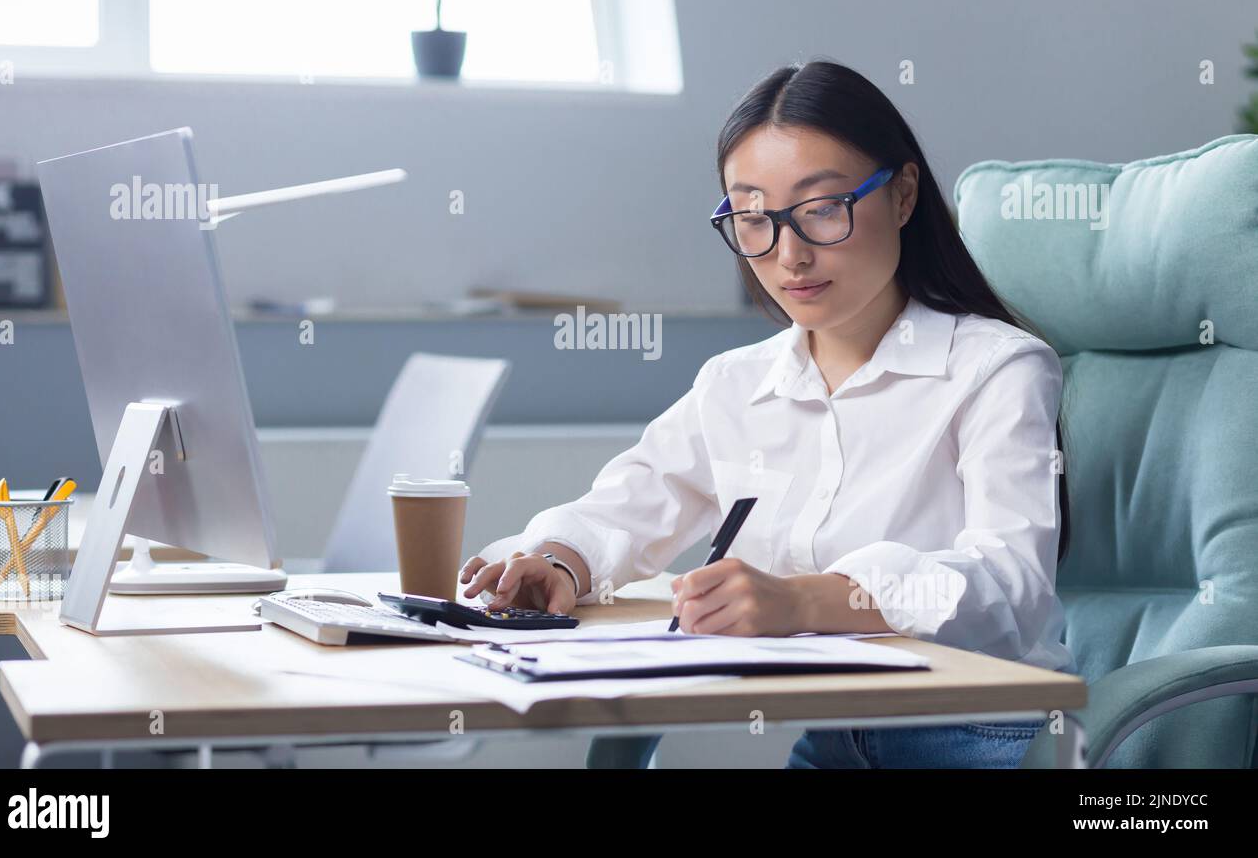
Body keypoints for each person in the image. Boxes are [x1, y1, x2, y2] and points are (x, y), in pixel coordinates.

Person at [460, 59, 1073, 768]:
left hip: (977, 731)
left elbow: (1013, 585)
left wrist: (805, 602)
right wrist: (559, 562)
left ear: (903, 195)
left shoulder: (996, 368)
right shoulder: (738, 383)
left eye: (821, 209)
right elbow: (631, 502)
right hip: (816, 727)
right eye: (754, 218)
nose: (789, 255)